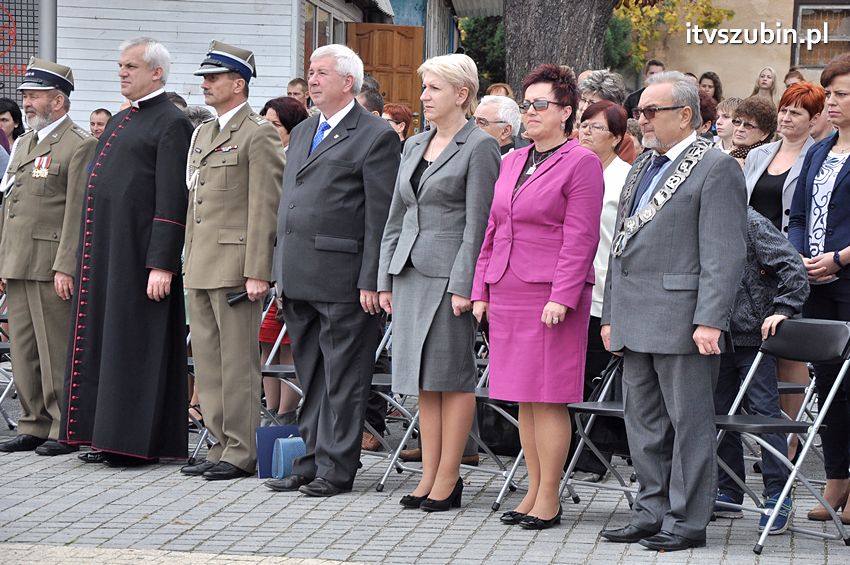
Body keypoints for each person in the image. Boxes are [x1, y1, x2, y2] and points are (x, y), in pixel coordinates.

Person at [599, 71, 747, 551]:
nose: (641, 120)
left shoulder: (716, 167)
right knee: (642, 425)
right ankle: (651, 510)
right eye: (639, 111)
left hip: (685, 319)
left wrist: (710, 319)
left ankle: (687, 520)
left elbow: (724, 253)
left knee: (689, 426)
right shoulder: (644, 165)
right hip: (634, 316)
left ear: (685, 115)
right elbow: (622, 247)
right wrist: (610, 314)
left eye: (650, 112)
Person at [473, 63, 604, 530]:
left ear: (567, 111)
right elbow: (493, 228)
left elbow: (581, 237)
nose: (530, 112)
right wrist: (481, 288)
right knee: (523, 398)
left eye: (540, 104)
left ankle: (549, 496)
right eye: (526, 104)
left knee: (548, 398)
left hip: (550, 296)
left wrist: (563, 296)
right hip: (507, 290)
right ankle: (531, 489)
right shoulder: (511, 160)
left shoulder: (582, 162)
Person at [265, 44, 400, 497]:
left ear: (348, 82)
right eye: (310, 72)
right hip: (299, 275)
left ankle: (337, 468)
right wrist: (278, 269)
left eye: (322, 73)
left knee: (343, 377)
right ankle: (310, 458)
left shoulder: (374, 135)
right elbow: (291, 204)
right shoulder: (303, 131)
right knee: (312, 375)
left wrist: (370, 279)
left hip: (344, 279)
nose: (313, 80)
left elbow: (378, 216)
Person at [58, 37, 193, 467]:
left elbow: (172, 198)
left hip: (139, 257)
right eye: (120, 66)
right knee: (103, 342)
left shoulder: (172, 122)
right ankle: (104, 434)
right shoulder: (118, 120)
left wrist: (161, 263)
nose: (122, 73)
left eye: (131, 66)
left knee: (134, 345)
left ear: (156, 72)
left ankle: (134, 443)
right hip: (106, 254)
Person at [378, 53, 499, 512]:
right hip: (409, 273)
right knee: (422, 381)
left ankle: (449, 478)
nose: (423, 96)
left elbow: (478, 223)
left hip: (450, 277)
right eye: (424, 87)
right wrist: (385, 276)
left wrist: (465, 284)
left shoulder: (479, 146)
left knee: (452, 379)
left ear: (461, 94)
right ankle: (428, 474)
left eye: (433, 88)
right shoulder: (414, 144)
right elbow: (397, 215)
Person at [180, 41, 284, 481]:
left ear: (238, 84)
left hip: (236, 264)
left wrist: (258, 269)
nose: (205, 84)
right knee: (207, 361)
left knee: (238, 362)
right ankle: (220, 442)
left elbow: (266, 204)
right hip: (201, 260)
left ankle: (241, 450)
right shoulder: (203, 132)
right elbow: (195, 201)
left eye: (214, 77)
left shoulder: (257, 132)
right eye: (205, 77)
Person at [0, 59, 98, 455]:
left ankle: (64, 425)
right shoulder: (24, 142)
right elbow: (10, 203)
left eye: (34, 95)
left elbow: (78, 211)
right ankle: (33, 421)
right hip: (19, 259)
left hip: (50, 261)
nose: (27, 102)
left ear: (58, 101)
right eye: (24, 95)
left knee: (56, 347)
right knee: (23, 348)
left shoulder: (79, 143)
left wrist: (66, 265)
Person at [713, 207, 808, 534]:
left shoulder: (751, 222)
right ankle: (728, 489)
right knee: (717, 413)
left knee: (766, 415)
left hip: (754, 338)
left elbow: (793, 266)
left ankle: (778, 494)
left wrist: (783, 308)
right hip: (714, 336)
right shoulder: (700, 219)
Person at [743, 83, 824, 452]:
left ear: (814, 120)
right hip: (752, 265)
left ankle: (788, 440)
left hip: (789, 264)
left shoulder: (816, 156)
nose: (787, 117)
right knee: (761, 349)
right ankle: (766, 436)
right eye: (785, 110)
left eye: (796, 112)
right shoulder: (760, 154)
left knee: (789, 352)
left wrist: (790, 258)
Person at [788, 52, 850, 525]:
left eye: (842, 95)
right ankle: (836, 477)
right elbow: (801, 217)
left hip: (847, 276)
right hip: (816, 282)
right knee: (827, 381)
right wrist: (801, 261)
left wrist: (838, 258)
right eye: (830, 94)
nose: (832, 102)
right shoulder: (817, 150)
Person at [571, 100, 631, 482]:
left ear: (617, 137)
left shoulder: (625, 176)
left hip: (608, 283)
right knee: (575, 372)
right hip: (574, 282)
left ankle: (596, 454)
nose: (586, 132)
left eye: (595, 127)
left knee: (599, 372)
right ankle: (573, 448)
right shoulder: (574, 168)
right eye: (583, 124)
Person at [730, 96, 777, 167]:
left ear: (764, 134)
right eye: (737, 122)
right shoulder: (729, 153)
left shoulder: (765, 162)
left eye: (748, 125)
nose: (739, 129)